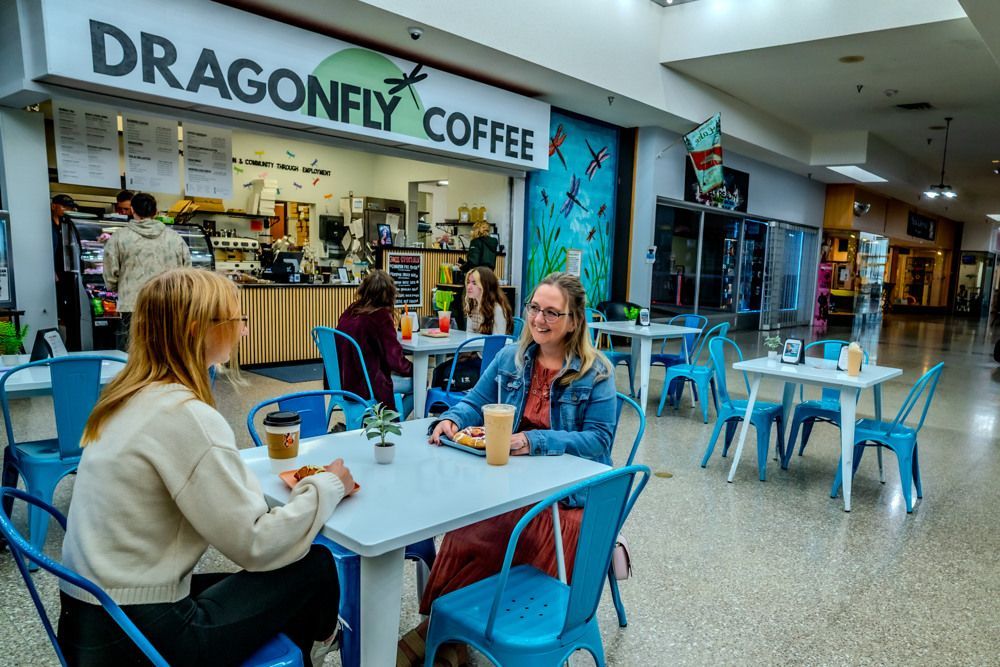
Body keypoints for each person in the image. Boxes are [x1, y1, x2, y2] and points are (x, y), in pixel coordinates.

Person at [58, 268, 354, 666]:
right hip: (142, 642)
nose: (244, 332)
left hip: (90, 619)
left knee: (287, 582)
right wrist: (328, 486)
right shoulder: (185, 415)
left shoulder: (122, 399)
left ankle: (306, 650)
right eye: (236, 321)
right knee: (314, 567)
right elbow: (257, 546)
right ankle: (318, 646)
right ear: (200, 331)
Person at [398, 272, 617, 667]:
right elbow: (474, 401)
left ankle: (445, 635)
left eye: (553, 312)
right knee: (467, 528)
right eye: (535, 308)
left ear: (574, 320)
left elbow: (599, 441)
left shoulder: (595, 372)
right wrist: (449, 420)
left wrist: (534, 441)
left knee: (523, 531)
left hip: (571, 498)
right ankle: (449, 632)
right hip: (511, 484)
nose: (539, 320)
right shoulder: (510, 359)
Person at [103, 192, 191, 351]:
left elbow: (110, 275)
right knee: (166, 352)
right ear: (155, 212)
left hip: (133, 305)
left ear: (132, 210)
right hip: (168, 304)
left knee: (132, 355)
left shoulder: (119, 237)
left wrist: (119, 287)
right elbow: (187, 273)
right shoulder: (175, 238)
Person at [335, 269, 413, 411]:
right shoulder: (380, 316)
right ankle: (396, 422)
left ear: (364, 289)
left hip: (341, 381)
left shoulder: (351, 310)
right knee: (420, 383)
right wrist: (415, 370)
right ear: (390, 293)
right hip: (366, 384)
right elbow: (395, 361)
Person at [50, 194, 78, 331]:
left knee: (70, 304)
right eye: (63, 206)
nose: (66, 210)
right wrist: (51, 270)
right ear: (53, 205)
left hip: (68, 269)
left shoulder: (67, 222)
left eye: (68, 207)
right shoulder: (47, 223)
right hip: (55, 269)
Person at [463, 266, 511, 335]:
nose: (468, 287)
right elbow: (469, 334)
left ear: (485, 286)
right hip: (476, 345)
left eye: (474, 283)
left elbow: (498, 341)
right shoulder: (473, 306)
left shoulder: (497, 309)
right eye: (468, 282)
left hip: (491, 345)